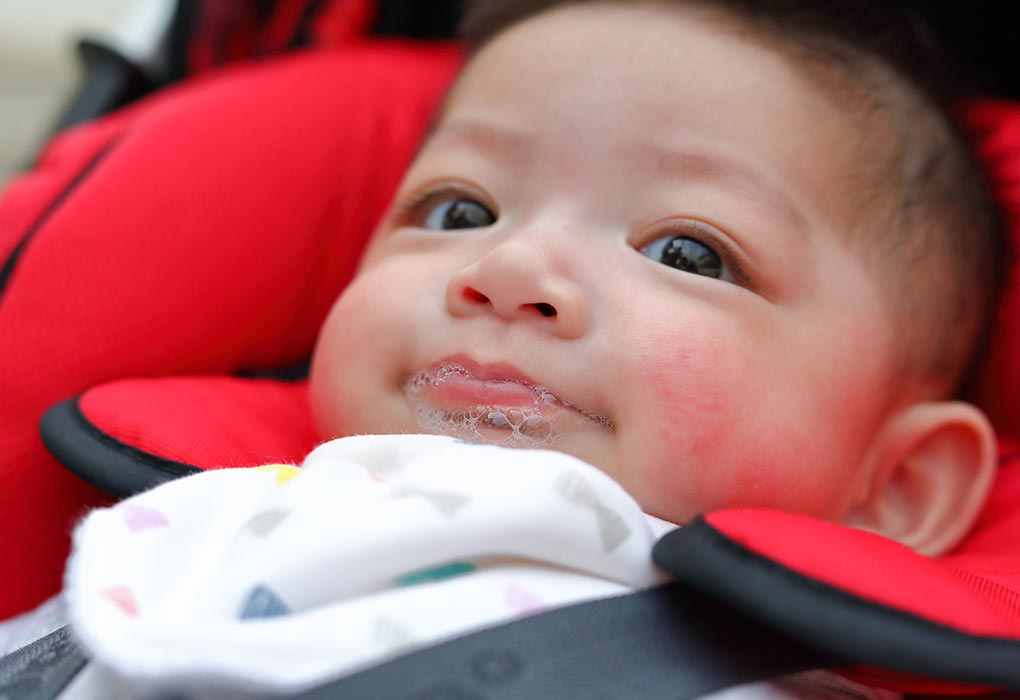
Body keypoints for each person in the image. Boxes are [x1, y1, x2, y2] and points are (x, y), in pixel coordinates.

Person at [59, 0, 1011, 698]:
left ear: (898, 487)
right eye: (458, 210)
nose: (510, 266)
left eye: (686, 251)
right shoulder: (170, 529)